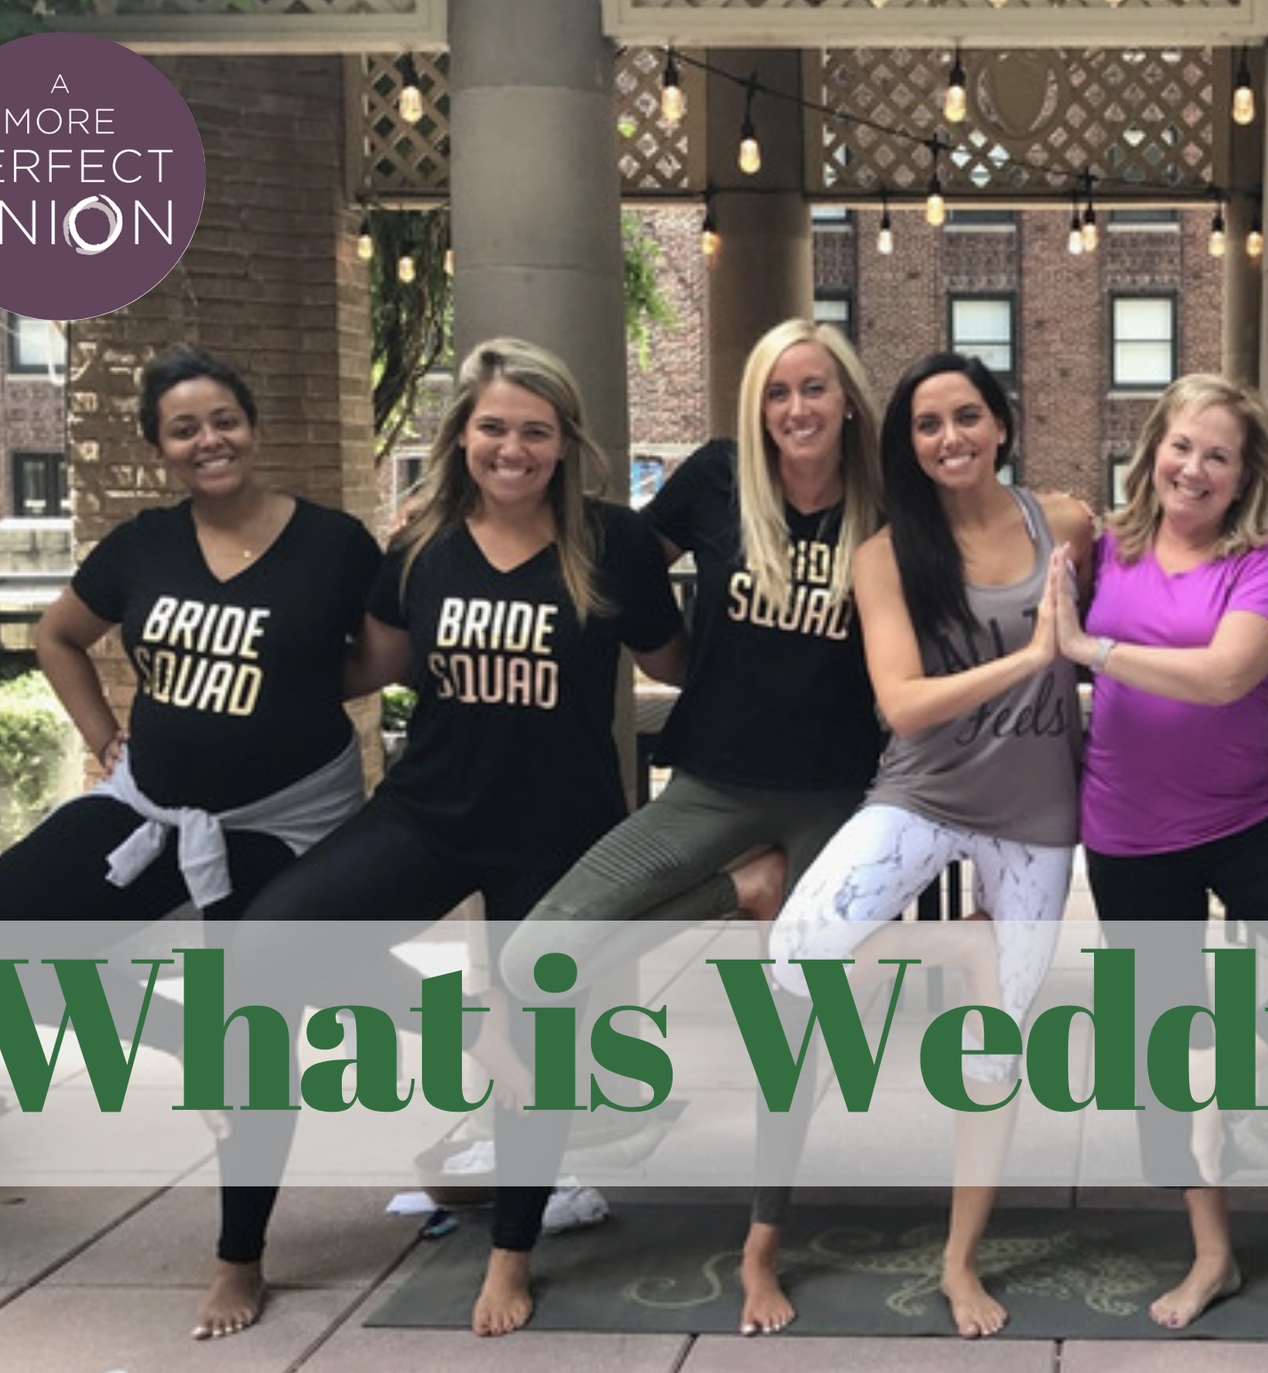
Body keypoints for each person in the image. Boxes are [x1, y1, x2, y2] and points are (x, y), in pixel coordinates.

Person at [230, 337, 684, 1338]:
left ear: (565, 442)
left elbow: (679, 661)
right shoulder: (422, 541)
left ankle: (511, 1254)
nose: (511, 447)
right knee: (270, 940)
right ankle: (247, 1242)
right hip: (428, 811)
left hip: (560, 832)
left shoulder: (611, 545)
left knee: (541, 1044)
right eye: (493, 426)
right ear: (462, 434)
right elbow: (369, 667)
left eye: (534, 429)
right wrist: (245, 667)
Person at [0, 346, 381, 1341]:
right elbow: (56, 636)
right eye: (185, 428)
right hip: (153, 805)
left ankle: (239, 1259)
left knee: (255, 1031)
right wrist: (101, 738)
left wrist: (296, 693)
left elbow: (379, 655)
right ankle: (182, 1036)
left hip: (286, 822)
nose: (208, 440)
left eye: (223, 418)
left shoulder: (334, 542)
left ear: (250, 426)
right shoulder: (140, 547)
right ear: (158, 447)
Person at [497, 317, 884, 1335]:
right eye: (775, 391)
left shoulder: (890, 503)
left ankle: (762, 1248)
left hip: (836, 801)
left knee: (788, 1037)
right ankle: (734, 890)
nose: (795, 409)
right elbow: (612, 552)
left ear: (847, 397)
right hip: (710, 780)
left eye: (813, 388)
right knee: (542, 946)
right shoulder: (717, 481)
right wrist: (663, 653)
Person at [1049, 372, 1268, 1330]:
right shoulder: (1106, 549)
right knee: (1166, 1053)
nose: (1193, 468)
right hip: (1128, 833)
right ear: (1151, 448)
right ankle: (1212, 1257)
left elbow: (1222, 677)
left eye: (1218, 455)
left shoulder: (1264, 565)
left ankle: (1248, 1053)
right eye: (1180, 445)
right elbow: (1009, 529)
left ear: (1242, 478)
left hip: (1248, 817)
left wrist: (1094, 652)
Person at [765, 351, 1092, 1338]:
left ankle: (959, 1261)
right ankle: (955, 946)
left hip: (1037, 816)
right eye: (925, 424)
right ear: (904, 444)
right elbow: (902, 704)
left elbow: (1167, 554)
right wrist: (1032, 658)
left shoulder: (1064, 524)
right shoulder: (885, 552)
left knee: (995, 1054)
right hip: (926, 794)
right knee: (795, 949)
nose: (948, 437)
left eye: (966, 416)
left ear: (1000, 423)